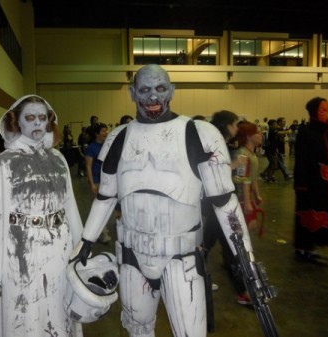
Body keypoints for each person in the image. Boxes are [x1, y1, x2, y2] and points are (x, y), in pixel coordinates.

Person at [70, 64, 256, 337]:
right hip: (133, 256)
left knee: (190, 332)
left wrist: (246, 258)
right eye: (144, 90)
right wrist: (86, 241)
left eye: (160, 88)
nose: (152, 97)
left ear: (172, 90)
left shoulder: (199, 134)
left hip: (182, 259)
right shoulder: (118, 138)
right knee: (137, 328)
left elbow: (225, 203)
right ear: (133, 93)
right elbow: (106, 197)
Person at [0, 95, 84, 337]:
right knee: (24, 312)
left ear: (49, 122)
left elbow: (70, 205)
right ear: (18, 123)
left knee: (59, 306)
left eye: (42, 118)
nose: (37, 123)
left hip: (59, 248)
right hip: (19, 252)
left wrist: (81, 247)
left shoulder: (58, 158)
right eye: (30, 118)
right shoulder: (4, 163)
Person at [202, 110, 250, 305]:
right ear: (227, 125)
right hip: (217, 203)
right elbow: (208, 171)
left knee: (207, 244)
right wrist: (234, 164)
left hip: (217, 203)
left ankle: (200, 279)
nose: (237, 128)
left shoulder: (220, 143)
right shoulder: (214, 143)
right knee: (232, 246)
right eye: (235, 124)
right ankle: (242, 291)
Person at [294, 97, 328, 263]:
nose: (326, 113)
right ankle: (304, 248)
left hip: (325, 185)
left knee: (321, 215)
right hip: (310, 185)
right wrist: (302, 185)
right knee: (307, 216)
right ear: (313, 112)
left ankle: (310, 247)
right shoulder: (306, 133)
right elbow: (301, 161)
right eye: (322, 110)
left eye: (327, 110)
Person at [233, 122, 264, 231]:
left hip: (247, 196)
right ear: (248, 136)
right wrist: (246, 202)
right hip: (240, 197)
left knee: (250, 225)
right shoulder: (243, 154)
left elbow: (252, 177)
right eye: (258, 133)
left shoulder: (251, 153)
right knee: (245, 227)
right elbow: (243, 180)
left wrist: (257, 194)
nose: (261, 135)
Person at [84, 122, 111, 243]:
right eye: (103, 131)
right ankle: (102, 234)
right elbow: (88, 166)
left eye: (106, 130)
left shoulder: (107, 145)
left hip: (107, 181)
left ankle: (101, 230)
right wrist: (92, 183)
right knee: (99, 208)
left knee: (107, 207)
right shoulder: (91, 148)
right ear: (96, 133)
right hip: (97, 180)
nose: (106, 133)